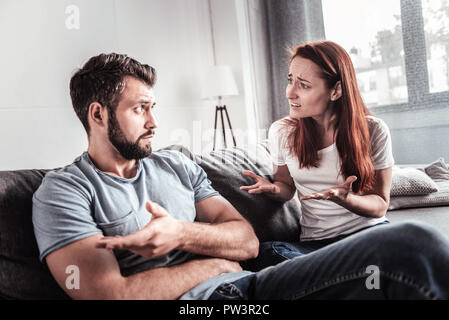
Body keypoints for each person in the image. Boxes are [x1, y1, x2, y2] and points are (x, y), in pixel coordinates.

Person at [32, 52, 449, 300]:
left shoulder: (175, 165)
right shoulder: (64, 190)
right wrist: (213, 265)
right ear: (98, 114)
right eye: (140, 108)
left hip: (254, 284)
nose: (155, 121)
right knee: (411, 245)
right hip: (218, 298)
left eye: (153, 106)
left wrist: (180, 234)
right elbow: (109, 294)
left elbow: (246, 241)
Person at [240, 41, 395, 262]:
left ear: (336, 90)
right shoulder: (282, 132)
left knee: (411, 242)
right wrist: (273, 189)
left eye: (303, 85)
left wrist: (346, 199)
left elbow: (380, 204)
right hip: (316, 245)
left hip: (368, 236)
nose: (290, 93)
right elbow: (286, 186)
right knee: (267, 253)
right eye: (290, 80)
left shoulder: (374, 130)